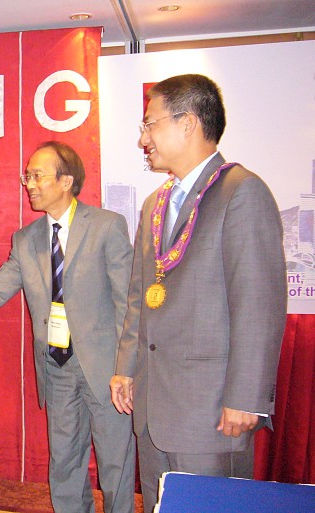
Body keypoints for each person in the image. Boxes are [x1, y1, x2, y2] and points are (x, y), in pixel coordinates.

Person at [110, 74, 287, 513]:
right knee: (160, 504)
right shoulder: (155, 203)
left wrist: (245, 398)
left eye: (149, 125)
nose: (143, 139)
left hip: (210, 412)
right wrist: (126, 369)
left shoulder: (241, 192)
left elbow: (258, 306)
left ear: (187, 122)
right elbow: (139, 298)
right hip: (153, 404)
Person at [0, 141, 135, 513]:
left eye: (37, 176)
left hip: (106, 368)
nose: (29, 184)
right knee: (64, 462)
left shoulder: (106, 226)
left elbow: (128, 304)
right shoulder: (26, 240)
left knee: (115, 464)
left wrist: (127, 368)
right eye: (27, 176)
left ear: (66, 181)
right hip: (56, 366)